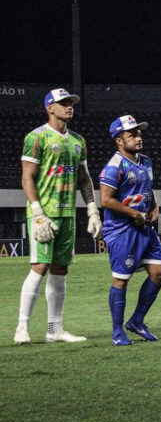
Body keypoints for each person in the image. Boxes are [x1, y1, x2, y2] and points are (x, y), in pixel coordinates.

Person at [15, 88, 101, 344]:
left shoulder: (78, 140)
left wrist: (92, 209)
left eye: (70, 102)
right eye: (62, 103)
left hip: (67, 214)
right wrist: (37, 211)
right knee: (39, 267)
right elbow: (27, 176)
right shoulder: (37, 137)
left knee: (60, 270)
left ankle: (55, 329)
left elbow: (84, 178)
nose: (68, 106)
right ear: (49, 108)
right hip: (44, 213)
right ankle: (22, 327)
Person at [98, 115, 161, 346]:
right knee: (121, 280)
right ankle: (117, 332)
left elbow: (147, 188)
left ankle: (136, 321)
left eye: (139, 133)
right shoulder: (114, 166)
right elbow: (106, 200)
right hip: (122, 230)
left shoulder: (146, 161)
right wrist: (134, 214)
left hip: (144, 228)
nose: (138, 138)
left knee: (159, 273)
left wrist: (155, 205)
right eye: (132, 134)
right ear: (119, 140)